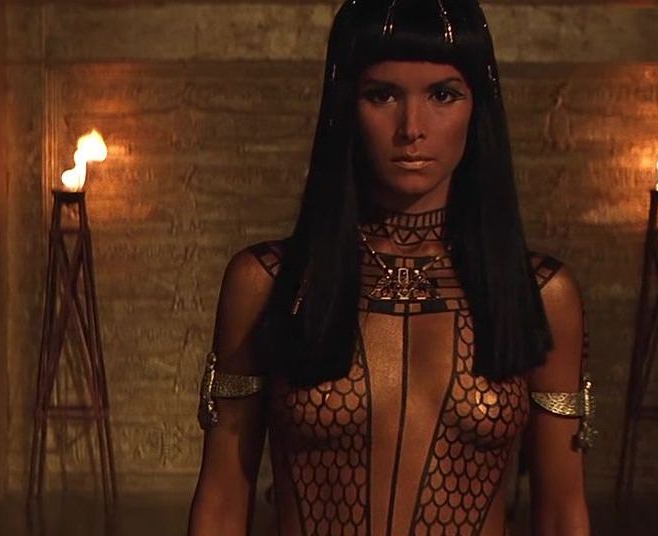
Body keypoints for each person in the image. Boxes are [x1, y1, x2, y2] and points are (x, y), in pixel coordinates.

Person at [188, 1, 593, 535]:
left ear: (478, 106)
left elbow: (563, 513)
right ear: (346, 106)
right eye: (382, 95)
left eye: (442, 95)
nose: (412, 128)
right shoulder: (268, 283)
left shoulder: (539, 293)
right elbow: (221, 503)